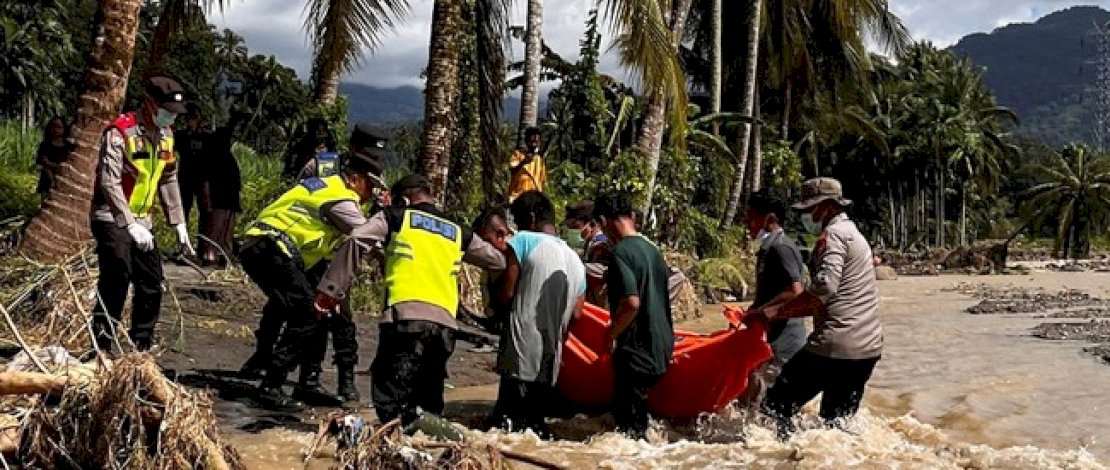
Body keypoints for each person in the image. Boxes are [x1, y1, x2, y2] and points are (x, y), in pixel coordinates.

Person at [313, 175, 507, 426]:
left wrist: (330, 290)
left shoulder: (396, 217)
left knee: (390, 399)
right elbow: (499, 261)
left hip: (404, 320)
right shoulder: (458, 231)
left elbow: (356, 238)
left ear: (403, 199)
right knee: (429, 404)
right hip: (444, 328)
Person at [238, 152, 386, 410]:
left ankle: (308, 384)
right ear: (354, 180)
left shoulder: (325, 186)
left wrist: (331, 290)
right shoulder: (341, 197)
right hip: (272, 249)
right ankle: (271, 385)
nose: (371, 194)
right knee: (306, 315)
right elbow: (367, 238)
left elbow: (327, 251)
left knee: (318, 311)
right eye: (370, 187)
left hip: (269, 249)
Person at [751, 177, 883, 438]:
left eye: (810, 210)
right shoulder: (855, 235)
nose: (807, 216)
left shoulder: (832, 236)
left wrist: (774, 312)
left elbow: (824, 288)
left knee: (774, 406)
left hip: (834, 347)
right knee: (836, 427)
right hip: (867, 348)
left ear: (827, 207)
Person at [90, 76, 193, 352]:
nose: (171, 117)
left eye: (174, 113)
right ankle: (101, 346)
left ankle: (141, 348)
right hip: (111, 217)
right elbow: (109, 182)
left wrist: (179, 222)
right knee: (117, 276)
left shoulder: (167, 136)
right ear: (150, 103)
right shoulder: (120, 132)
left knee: (151, 282)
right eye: (167, 110)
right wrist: (129, 224)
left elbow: (168, 178)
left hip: (143, 221)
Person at [478, 191, 586, 436]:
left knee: (504, 427)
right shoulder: (576, 260)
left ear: (532, 217)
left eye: (518, 219)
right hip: (551, 356)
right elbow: (577, 314)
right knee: (534, 428)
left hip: (520, 348)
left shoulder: (523, 241)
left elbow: (507, 294)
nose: (517, 227)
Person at [593, 192, 673, 439]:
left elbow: (631, 303)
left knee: (629, 435)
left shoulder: (621, 253)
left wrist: (611, 333)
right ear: (633, 217)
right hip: (662, 348)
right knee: (640, 427)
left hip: (636, 352)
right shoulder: (653, 251)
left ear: (604, 222)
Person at [745, 189, 807, 365]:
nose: (748, 224)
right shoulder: (768, 249)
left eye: (752, 218)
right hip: (772, 340)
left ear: (770, 219)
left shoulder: (781, 248)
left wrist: (759, 312)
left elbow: (796, 292)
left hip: (784, 344)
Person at [197, 126, 241, 266]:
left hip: (230, 200)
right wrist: (207, 200)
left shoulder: (229, 158)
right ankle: (209, 255)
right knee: (215, 230)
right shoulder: (213, 158)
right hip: (219, 200)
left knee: (227, 232)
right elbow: (206, 182)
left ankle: (225, 256)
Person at [296, 123, 391, 182]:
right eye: (368, 155)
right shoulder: (322, 166)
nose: (372, 161)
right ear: (352, 148)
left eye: (376, 157)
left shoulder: (377, 177)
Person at [562, 200, 611, 307]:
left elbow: (602, 273)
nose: (573, 231)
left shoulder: (602, 245)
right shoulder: (589, 243)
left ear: (591, 223)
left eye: (576, 226)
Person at [175, 106, 209, 231]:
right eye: (189, 119)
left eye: (193, 119)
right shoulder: (181, 136)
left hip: (202, 178)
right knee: (183, 210)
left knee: (205, 210)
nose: (190, 121)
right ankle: (183, 242)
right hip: (185, 178)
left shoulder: (206, 137)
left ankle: (203, 243)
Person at [507, 127, 547, 202]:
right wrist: (523, 162)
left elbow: (542, 181)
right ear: (526, 141)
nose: (534, 144)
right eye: (532, 141)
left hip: (534, 198)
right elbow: (512, 170)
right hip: (518, 196)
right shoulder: (518, 155)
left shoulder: (540, 160)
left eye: (537, 142)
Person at [35, 117, 71, 199]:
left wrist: (51, 164)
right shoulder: (45, 145)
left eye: (59, 127)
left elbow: (67, 164)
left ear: (64, 129)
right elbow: (41, 162)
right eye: (53, 127)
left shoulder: (68, 147)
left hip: (63, 181)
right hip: (47, 181)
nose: (56, 130)